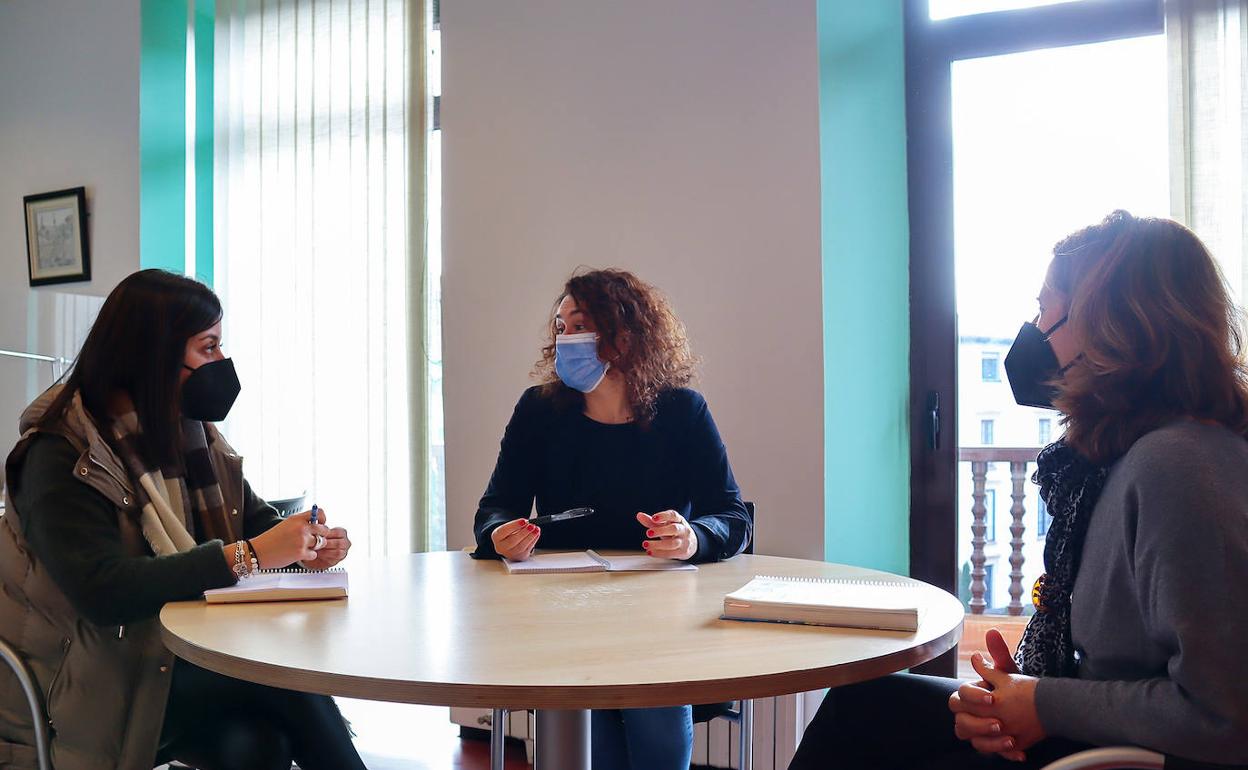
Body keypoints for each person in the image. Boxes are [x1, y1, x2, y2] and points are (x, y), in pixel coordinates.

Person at [789, 211, 1248, 769]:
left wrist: (1043, 703)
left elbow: (1224, 715)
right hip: (1102, 739)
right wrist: (1018, 697)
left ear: (1108, 328)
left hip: (1122, 758)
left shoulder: (1178, 467)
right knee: (864, 705)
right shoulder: (1120, 459)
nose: (1034, 331)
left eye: (1044, 312)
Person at [0, 270, 364, 770]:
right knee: (286, 681)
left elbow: (254, 524)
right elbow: (102, 592)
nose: (221, 362)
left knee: (258, 743)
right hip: (84, 682)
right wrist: (252, 555)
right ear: (154, 353)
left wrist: (307, 544)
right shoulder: (59, 455)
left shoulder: (190, 434)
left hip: (167, 658)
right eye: (208, 347)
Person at [472, 268, 753, 770]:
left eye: (578, 324)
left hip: (660, 619)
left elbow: (731, 515)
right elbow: (495, 507)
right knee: (585, 749)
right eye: (559, 327)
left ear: (623, 336)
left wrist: (692, 538)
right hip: (564, 613)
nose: (564, 338)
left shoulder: (683, 412)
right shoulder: (539, 411)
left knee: (657, 737)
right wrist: (502, 535)